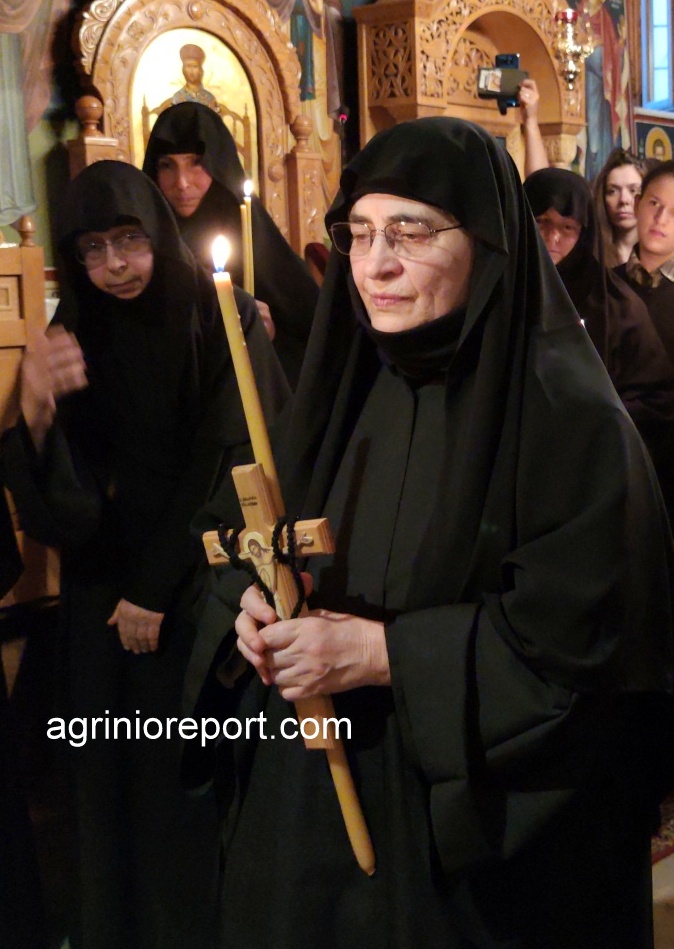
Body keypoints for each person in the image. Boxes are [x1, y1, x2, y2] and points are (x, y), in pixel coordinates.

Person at [186, 117, 674, 949]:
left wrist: (384, 655)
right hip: (313, 813)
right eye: (360, 232)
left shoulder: (573, 421)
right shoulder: (342, 387)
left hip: (471, 854)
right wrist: (255, 612)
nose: (374, 264)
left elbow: (592, 656)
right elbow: (256, 544)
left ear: (486, 242)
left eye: (410, 233)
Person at [0, 160, 289, 949]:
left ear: (157, 232)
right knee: (108, 795)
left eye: (129, 240)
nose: (115, 265)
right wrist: (33, 415)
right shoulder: (73, 335)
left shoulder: (220, 316)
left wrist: (155, 589)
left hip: (198, 596)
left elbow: (233, 459)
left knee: (182, 791)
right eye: (92, 249)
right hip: (102, 604)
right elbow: (63, 511)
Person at [143, 102, 320, 388]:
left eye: (195, 163)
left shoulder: (251, 233)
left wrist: (266, 338)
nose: (182, 183)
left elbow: (315, 339)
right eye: (167, 165)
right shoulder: (145, 242)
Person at [523, 166, 674, 455]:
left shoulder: (614, 303)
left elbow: (654, 398)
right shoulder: (500, 288)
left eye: (568, 227)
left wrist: (592, 421)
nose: (552, 238)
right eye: (541, 222)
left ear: (584, 230)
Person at [593, 147, 651, 268]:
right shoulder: (590, 255)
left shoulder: (662, 254)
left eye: (633, 190)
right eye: (613, 191)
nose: (624, 200)